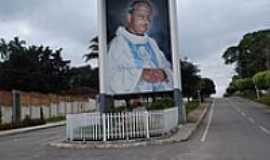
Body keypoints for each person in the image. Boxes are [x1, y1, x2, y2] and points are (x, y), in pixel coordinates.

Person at [108, 0, 173, 94]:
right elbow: (110, 79)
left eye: (149, 18)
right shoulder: (117, 43)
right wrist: (140, 74)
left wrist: (164, 74)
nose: (146, 21)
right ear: (129, 17)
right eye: (141, 17)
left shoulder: (152, 43)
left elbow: (167, 68)